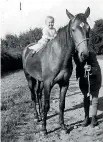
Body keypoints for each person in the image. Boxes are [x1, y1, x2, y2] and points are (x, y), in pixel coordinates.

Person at [73, 49, 102, 128]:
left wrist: (91, 68)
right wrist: (77, 76)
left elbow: (97, 68)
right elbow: (78, 67)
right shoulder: (76, 55)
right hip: (84, 80)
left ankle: (94, 118)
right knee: (86, 97)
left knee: (95, 97)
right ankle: (86, 117)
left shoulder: (92, 54)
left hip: (95, 79)